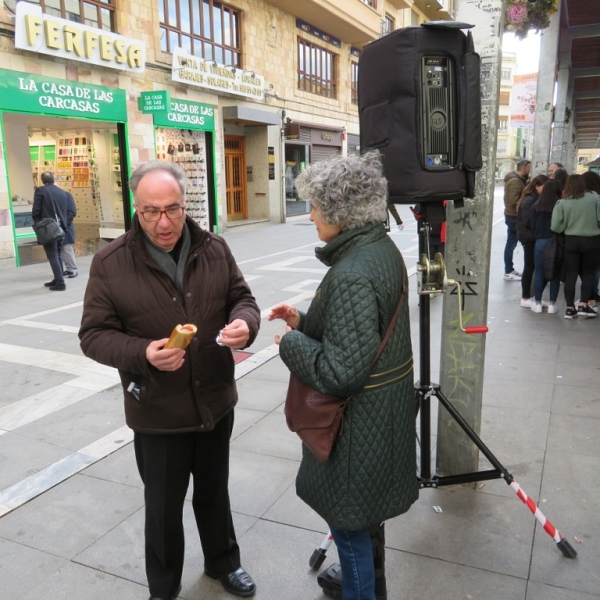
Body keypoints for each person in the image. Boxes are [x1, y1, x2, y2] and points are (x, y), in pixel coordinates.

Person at [79, 161, 260, 600]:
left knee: (214, 491)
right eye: (150, 211)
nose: (164, 222)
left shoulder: (214, 247)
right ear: (136, 210)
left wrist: (244, 324)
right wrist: (142, 354)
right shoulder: (110, 262)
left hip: (215, 399)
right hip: (158, 410)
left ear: (186, 204)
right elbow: (93, 335)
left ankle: (224, 563)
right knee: (162, 507)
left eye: (173, 209)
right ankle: (163, 587)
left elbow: (243, 299)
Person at [268, 151, 418, 600]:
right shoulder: (378, 249)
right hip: (382, 418)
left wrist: (290, 345)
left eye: (315, 206)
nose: (310, 215)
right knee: (363, 522)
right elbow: (360, 329)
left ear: (339, 212)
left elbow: (341, 371)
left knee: (350, 533)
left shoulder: (352, 271)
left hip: (358, 428)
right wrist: (304, 320)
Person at [551, 174, 600, 319]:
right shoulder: (595, 199)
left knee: (571, 275)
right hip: (592, 241)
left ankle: (569, 308)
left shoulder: (562, 203)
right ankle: (584, 305)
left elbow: (555, 226)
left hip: (571, 242)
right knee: (588, 274)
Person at [32, 172, 73, 291]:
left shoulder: (41, 191)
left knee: (52, 254)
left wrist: (37, 222)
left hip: (48, 228)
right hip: (60, 228)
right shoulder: (62, 192)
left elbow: (36, 210)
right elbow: (66, 211)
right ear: (53, 179)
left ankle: (60, 282)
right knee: (57, 254)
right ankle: (58, 278)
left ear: (42, 180)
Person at [529, 179, 563, 314]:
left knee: (539, 273)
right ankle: (552, 305)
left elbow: (531, 225)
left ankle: (537, 303)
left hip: (540, 242)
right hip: (555, 242)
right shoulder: (559, 205)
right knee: (555, 273)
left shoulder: (536, 206)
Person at [516, 174, 549, 307]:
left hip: (531, 236)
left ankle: (532, 296)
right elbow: (528, 220)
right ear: (536, 186)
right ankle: (525, 297)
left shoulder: (535, 198)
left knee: (534, 266)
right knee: (529, 266)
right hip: (529, 237)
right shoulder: (530, 200)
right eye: (544, 187)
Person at [503, 159, 531, 281]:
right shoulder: (515, 181)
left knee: (511, 243)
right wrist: (526, 199)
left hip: (513, 216)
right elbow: (513, 201)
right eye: (529, 168)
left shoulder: (518, 180)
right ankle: (508, 271)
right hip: (514, 216)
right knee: (512, 243)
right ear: (524, 168)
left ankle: (509, 270)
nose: (530, 170)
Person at [61, 192, 79, 278]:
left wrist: (64, 223)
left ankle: (73, 269)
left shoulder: (66, 195)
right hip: (58, 227)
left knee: (68, 248)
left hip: (66, 226)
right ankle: (68, 268)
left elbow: (72, 211)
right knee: (61, 249)